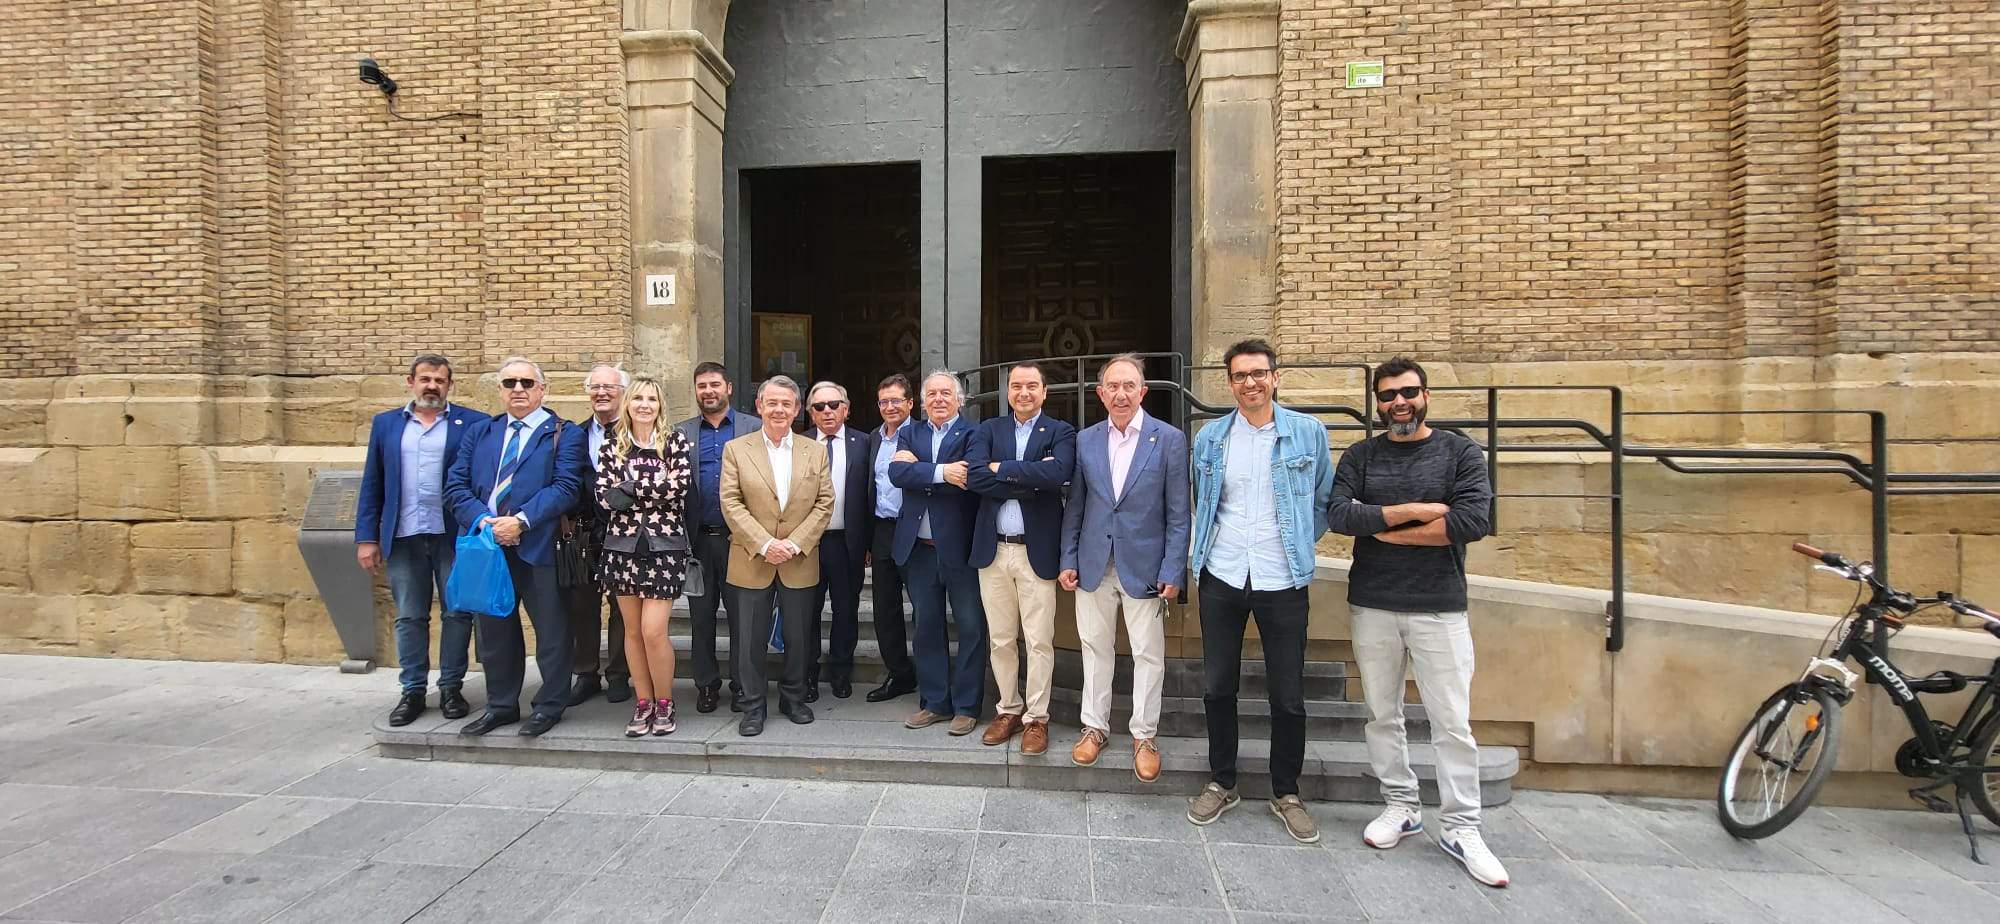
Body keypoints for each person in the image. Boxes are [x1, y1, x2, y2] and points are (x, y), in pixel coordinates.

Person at [1328, 356, 1506, 887]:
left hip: (1439, 605)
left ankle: (1463, 826)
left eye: (1407, 392)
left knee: (1452, 722)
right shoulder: (1361, 454)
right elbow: (1340, 515)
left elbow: (1474, 519)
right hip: (1374, 603)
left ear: (1425, 394)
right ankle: (1401, 806)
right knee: (1382, 714)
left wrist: (1384, 525)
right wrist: (1424, 510)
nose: (1398, 403)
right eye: (1387, 396)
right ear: (1377, 402)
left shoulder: (1459, 451)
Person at [1184, 338, 1334, 842]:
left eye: (1259, 373)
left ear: (1275, 377)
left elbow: (1323, 500)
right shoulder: (1210, 438)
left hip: (1282, 578)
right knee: (1218, 686)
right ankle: (1222, 780)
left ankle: (1285, 791)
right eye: (1241, 375)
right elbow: (1203, 500)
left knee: (1288, 693)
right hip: (1222, 575)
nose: (1251, 383)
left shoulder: (1307, 433)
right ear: (1229, 383)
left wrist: (1294, 544)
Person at [443, 357, 588, 737]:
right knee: (493, 632)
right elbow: (455, 486)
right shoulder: (481, 433)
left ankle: (550, 705)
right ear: (500, 390)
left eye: (527, 382)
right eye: (510, 383)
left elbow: (566, 487)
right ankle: (501, 705)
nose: (518, 389)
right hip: (488, 548)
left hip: (539, 545)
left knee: (552, 631)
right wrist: (485, 521)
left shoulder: (564, 433)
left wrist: (520, 520)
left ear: (542, 389)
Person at [1059, 354, 1187, 781]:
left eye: (1129, 385)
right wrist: (1068, 558)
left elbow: (1178, 513)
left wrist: (1173, 568)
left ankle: (1144, 735)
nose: (1121, 394)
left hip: (1146, 567)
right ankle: (1094, 727)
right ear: (1100, 393)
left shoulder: (1167, 439)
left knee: (1148, 654)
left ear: (1143, 391)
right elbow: (1076, 504)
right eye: (1112, 386)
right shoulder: (1085, 440)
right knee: (1095, 649)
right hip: (1093, 564)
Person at [355, 353, 483, 727]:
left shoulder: (469, 424)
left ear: (450, 385)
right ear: (410, 381)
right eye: (425, 379)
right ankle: (412, 690)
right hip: (404, 535)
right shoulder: (386, 425)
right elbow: (372, 484)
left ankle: (450, 687)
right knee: (410, 616)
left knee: (458, 613)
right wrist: (367, 537)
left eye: (439, 380)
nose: (432, 386)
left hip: (451, 536)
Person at [967, 361, 1076, 755]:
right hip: (993, 549)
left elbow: (1059, 474)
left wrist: (1003, 471)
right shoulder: (987, 429)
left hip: (1036, 551)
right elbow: (975, 477)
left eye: (1032, 386)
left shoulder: (1061, 432)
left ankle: (1036, 719)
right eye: (1016, 386)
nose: (1024, 393)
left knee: (1039, 639)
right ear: (1007, 391)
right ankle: (1008, 709)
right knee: (1000, 638)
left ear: (1045, 392)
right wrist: (1029, 475)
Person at [719, 375, 834, 736]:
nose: (779, 409)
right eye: (772, 402)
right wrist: (767, 544)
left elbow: (825, 502)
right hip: (753, 558)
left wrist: (796, 543)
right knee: (750, 639)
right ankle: (753, 705)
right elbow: (730, 502)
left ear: (798, 410)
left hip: (800, 559)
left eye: (787, 404)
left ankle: (793, 697)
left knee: (800, 637)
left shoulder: (815, 451)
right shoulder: (737, 449)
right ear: (760, 406)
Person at [595, 375, 696, 738]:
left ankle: (665, 702)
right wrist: (651, 487)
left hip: (664, 547)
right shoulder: (612, 443)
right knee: (633, 632)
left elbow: (679, 487)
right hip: (621, 548)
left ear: (660, 405)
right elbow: (606, 496)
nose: (644, 404)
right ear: (628, 403)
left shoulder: (675, 441)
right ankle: (644, 702)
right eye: (637, 397)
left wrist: (632, 487)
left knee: (654, 631)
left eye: (651, 399)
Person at [888, 370, 987, 736]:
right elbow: (898, 474)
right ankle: (934, 702)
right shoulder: (909, 432)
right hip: (919, 550)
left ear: (959, 400)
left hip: (961, 549)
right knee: (927, 627)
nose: (939, 400)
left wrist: (923, 471)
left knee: (971, 627)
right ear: (924, 401)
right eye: (932, 394)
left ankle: (966, 705)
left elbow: (973, 477)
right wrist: (945, 472)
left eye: (946, 393)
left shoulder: (976, 433)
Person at [674, 362, 753, 714]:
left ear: (729, 388)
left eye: (715, 384)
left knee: (743, 619)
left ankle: (741, 684)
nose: (708, 391)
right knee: (701, 618)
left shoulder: (753, 427)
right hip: (698, 542)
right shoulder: (680, 432)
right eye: (702, 386)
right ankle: (706, 684)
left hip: (741, 542)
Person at [564, 363, 633, 707]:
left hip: (625, 533)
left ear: (623, 393)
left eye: (609, 387)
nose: (601, 393)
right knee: (583, 605)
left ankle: (619, 674)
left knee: (622, 606)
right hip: (584, 533)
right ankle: (586, 673)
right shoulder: (573, 435)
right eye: (595, 387)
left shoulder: (637, 435)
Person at [805, 381, 872, 701]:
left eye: (834, 405)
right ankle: (807, 672)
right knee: (807, 611)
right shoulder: (798, 443)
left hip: (848, 542)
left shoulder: (865, 443)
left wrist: (869, 542)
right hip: (808, 545)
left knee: (846, 610)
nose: (827, 411)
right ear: (810, 413)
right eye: (819, 407)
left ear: (846, 409)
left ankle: (841, 671)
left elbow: (872, 495)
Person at [865, 373, 920, 703]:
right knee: (884, 609)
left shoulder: (923, 435)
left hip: (915, 529)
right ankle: (899, 673)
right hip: (882, 530)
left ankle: (932, 676)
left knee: (923, 608)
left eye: (896, 400)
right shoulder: (873, 438)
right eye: (883, 401)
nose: (889, 407)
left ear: (911, 403)